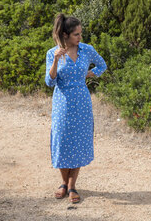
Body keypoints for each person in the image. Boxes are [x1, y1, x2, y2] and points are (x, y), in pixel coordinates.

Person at [45, 13, 107, 204]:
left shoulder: (87, 50)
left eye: (81, 33)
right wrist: (55, 60)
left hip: (82, 101)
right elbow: (49, 81)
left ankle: (72, 186)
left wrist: (90, 73)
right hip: (62, 102)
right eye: (76, 34)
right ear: (65, 35)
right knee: (63, 141)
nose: (80, 37)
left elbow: (102, 65)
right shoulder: (52, 53)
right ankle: (63, 183)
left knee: (79, 141)